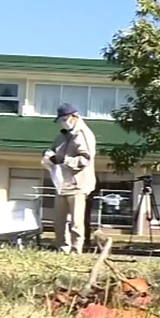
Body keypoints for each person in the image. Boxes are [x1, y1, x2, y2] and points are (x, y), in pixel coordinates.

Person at [43, 103, 97, 254]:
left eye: (65, 118)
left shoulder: (84, 135)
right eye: (61, 120)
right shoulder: (62, 135)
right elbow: (54, 151)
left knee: (76, 222)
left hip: (78, 185)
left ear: (74, 116)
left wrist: (64, 160)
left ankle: (75, 251)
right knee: (59, 221)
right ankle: (62, 249)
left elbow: (85, 159)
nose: (63, 122)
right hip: (62, 183)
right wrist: (49, 156)